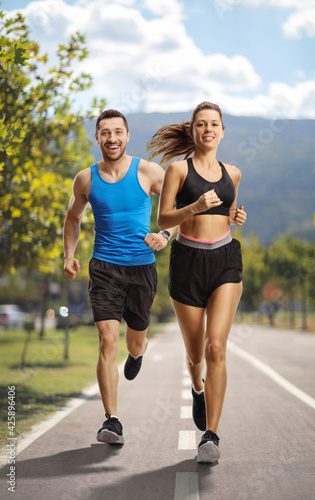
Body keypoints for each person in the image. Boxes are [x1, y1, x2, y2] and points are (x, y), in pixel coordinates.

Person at [63, 109, 175, 446]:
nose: (111, 138)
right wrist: (69, 256)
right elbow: (73, 219)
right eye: (105, 133)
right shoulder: (85, 179)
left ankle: (138, 353)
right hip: (104, 268)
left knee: (133, 340)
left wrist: (165, 234)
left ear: (127, 136)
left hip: (141, 268)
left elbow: (176, 210)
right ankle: (112, 421)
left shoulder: (149, 171)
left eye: (117, 132)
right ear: (97, 138)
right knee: (107, 341)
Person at [146, 101, 247, 463]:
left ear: (222, 131)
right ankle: (197, 386)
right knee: (195, 354)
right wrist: (195, 208)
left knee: (215, 347)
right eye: (201, 124)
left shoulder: (233, 173)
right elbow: (164, 218)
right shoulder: (177, 169)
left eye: (214, 124)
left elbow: (229, 214)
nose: (208, 129)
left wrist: (236, 216)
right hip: (187, 262)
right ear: (193, 131)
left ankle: (211, 436)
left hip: (224, 261)